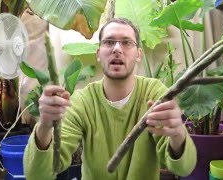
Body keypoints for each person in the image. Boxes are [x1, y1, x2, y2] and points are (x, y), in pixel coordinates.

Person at [23, 18, 197, 180]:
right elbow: (38, 175)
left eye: (127, 42)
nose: (117, 49)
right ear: (99, 54)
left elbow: (183, 168)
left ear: (138, 54)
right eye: (109, 42)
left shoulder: (154, 94)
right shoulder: (83, 101)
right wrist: (45, 126)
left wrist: (178, 133)